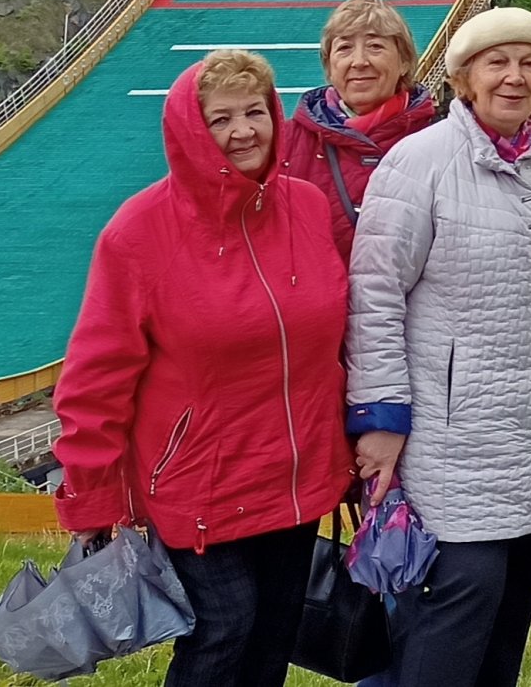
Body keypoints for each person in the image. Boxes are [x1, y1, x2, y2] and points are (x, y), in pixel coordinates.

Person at [54, 51, 352, 687]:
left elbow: (338, 332)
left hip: (297, 469)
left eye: (256, 112)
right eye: (221, 119)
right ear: (191, 129)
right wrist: (92, 493)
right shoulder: (139, 231)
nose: (244, 131)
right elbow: (95, 376)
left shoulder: (303, 205)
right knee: (225, 626)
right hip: (200, 477)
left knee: (275, 631)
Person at [346, 7, 531, 687]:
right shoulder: (419, 162)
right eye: (497, 62)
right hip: (451, 445)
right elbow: (374, 294)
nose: (514, 77)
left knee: (510, 615)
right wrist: (381, 417)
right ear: (463, 77)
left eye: (530, 62)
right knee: (454, 617)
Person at [281, 0, 439, 262]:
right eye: (344, 48)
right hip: (323, 302)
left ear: (404, 62)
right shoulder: (286, 142)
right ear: (329, 66)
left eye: (375, 46)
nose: (359, 61)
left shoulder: (439, 138)